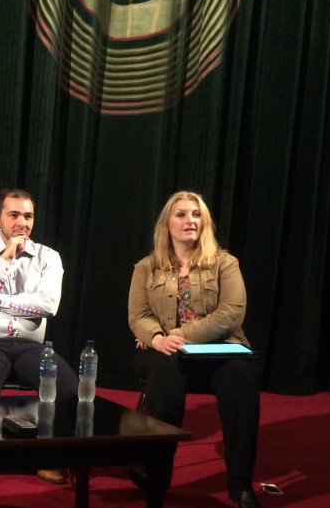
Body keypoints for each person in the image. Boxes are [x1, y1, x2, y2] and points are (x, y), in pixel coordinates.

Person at [128, 191, 261, 508]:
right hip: (165, 351)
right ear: (167, 223)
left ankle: (240, 484)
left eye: (196, 214)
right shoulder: (146, 267)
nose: (191, 220)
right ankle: (157, 479)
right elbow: (138, 316)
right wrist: (157, 338)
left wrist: (176, 334)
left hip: (221, 351)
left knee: (241, 382)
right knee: (164, 378)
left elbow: (231, 313)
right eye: (182, 214)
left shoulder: (225, 263)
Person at [0, 188, 76, 486]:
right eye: (14, 215)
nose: (22, 222)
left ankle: (46, 457)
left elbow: (48, 305)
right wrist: (5, 259)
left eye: (28, 215)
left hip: (30, 345)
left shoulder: (49, 257)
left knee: (67, 388)